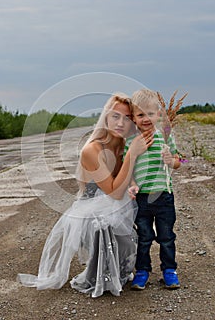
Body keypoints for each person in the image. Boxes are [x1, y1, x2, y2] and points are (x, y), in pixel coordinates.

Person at [17, 92, 153, 298]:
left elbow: (131, 179)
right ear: (106, 117)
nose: (120, 123)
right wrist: (133, 154)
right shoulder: (92, 149)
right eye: (115, 116)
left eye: (127, 118)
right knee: (104, 225)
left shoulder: (124, 145)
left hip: (117, 205)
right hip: (90, 211)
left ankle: (123, 266)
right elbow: (114, 192)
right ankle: (97, 273)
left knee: (127, 252)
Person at [123, 88, 181, 290]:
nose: (146, 118)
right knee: (144, 237)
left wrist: (171, 160)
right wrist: (131, 184)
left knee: (166, 236)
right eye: (140, 115)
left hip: (164, 196)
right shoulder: (131, 142)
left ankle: (169, 270)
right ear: (134, 118)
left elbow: (180, 160)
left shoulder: (165, 137)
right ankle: (142, 271)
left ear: (158, 114)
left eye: (150, 113)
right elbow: (127, 167)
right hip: (142, 197)